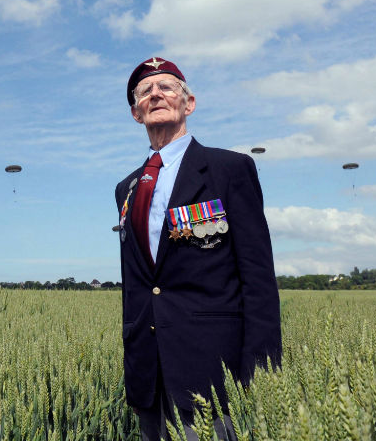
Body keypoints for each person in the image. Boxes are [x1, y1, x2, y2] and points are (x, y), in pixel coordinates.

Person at [114, 57, 281, 441]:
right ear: (136, 113)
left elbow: (257, 277)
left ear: (189, 103)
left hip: (214, 374)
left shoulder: (229, 169)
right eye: (145, 92)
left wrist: (261, 372)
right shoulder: (126, 189)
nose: (156, 94)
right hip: (148, 376)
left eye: (167, 87)